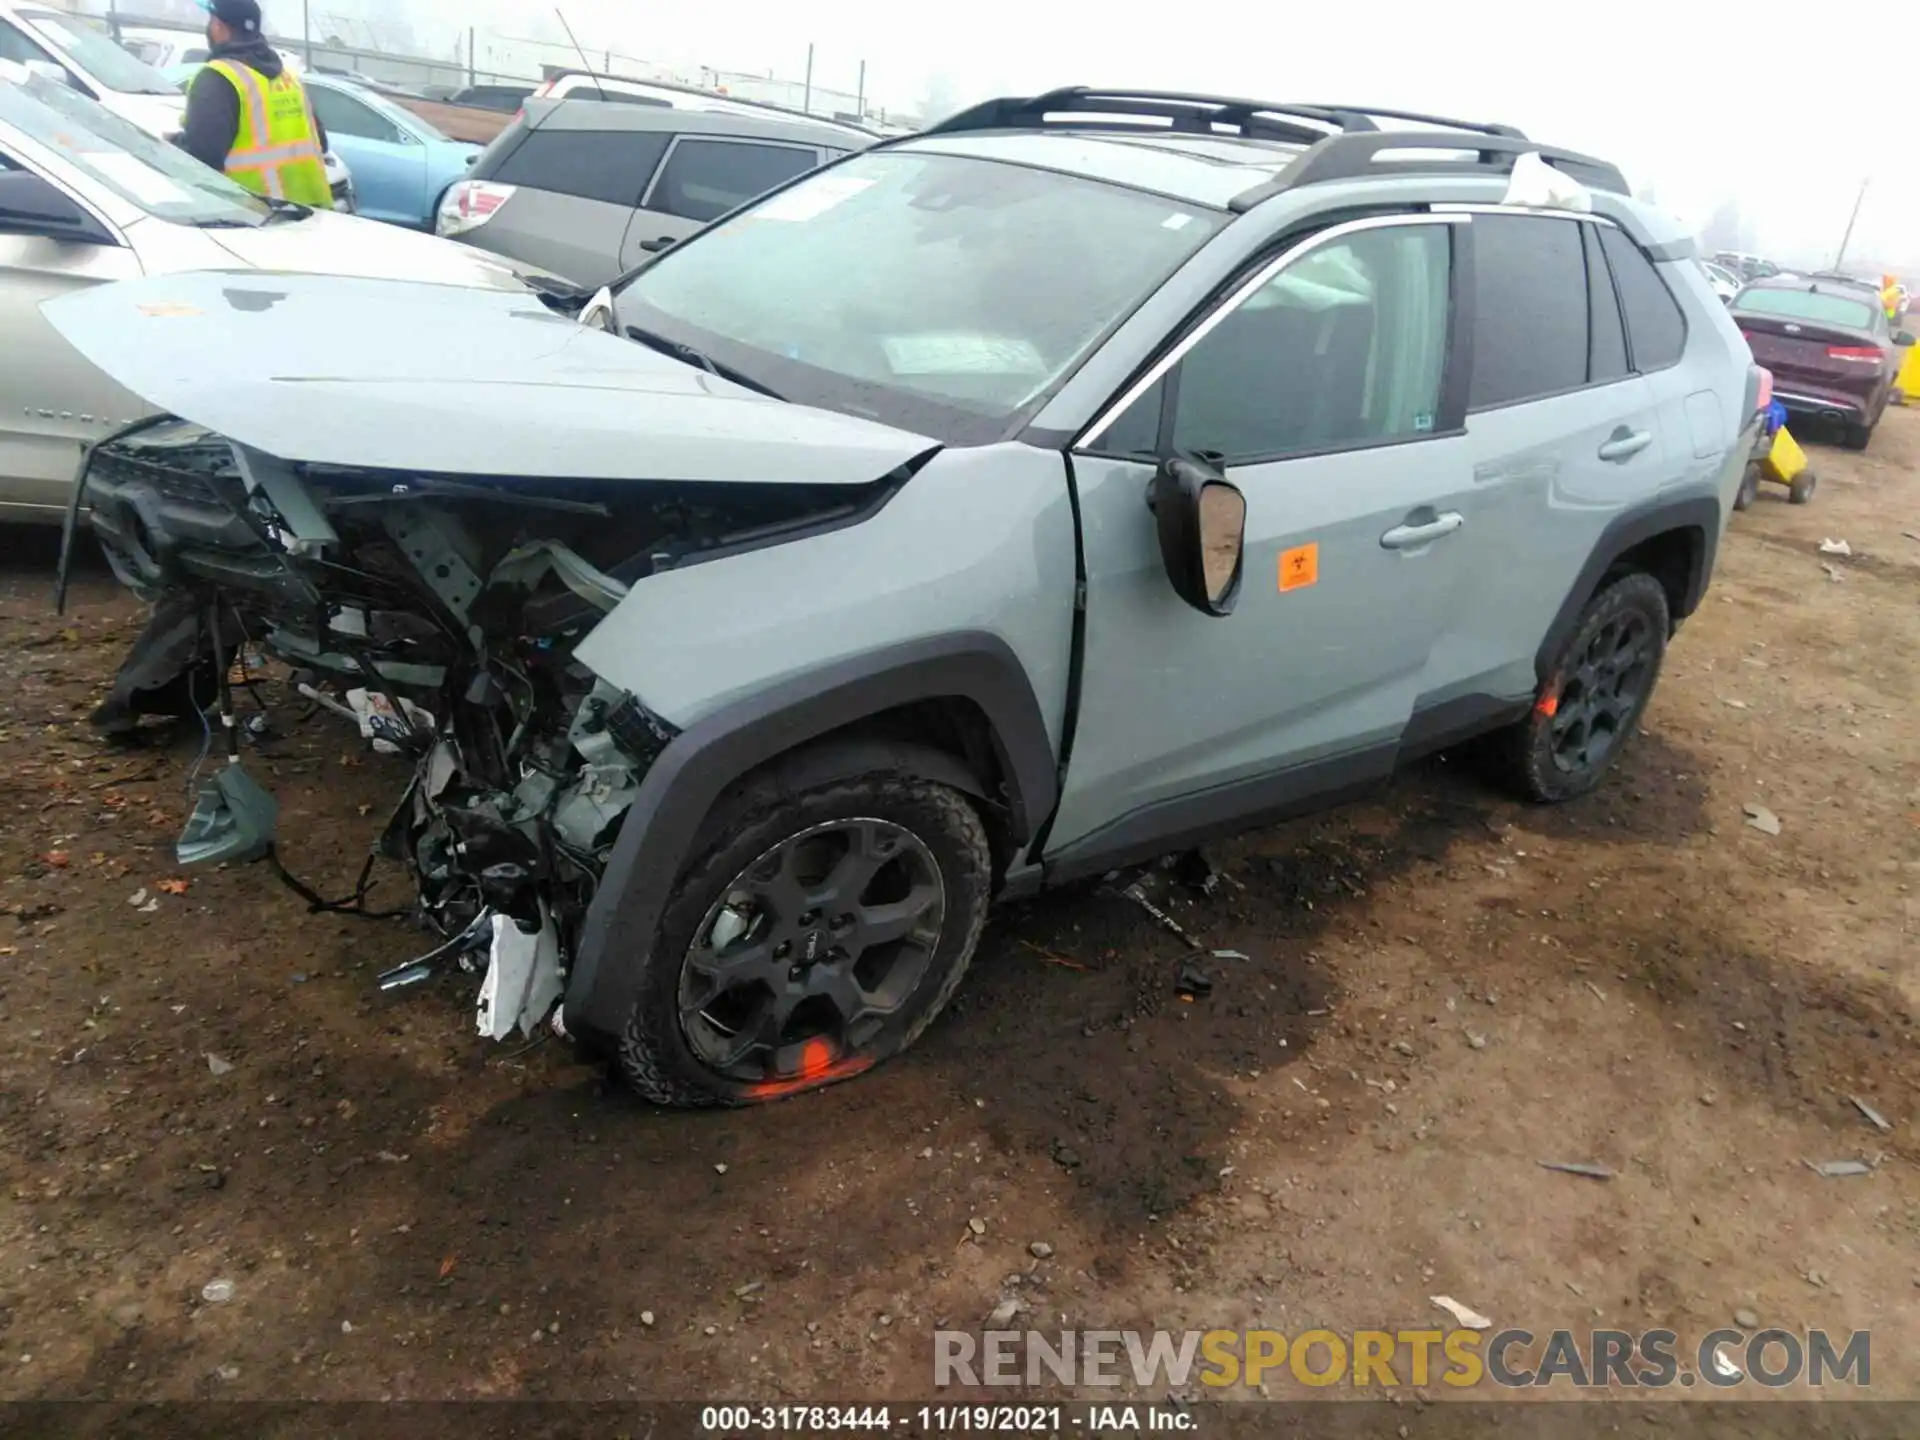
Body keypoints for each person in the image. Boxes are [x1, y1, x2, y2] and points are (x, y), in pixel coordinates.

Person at [176, 0, 332, 207]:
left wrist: (172, 145)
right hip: (315, 215)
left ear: (218, 27)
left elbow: (202, 159)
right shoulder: (289, 79)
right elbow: (321, 142)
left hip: (256, 219)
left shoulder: (217, 78)